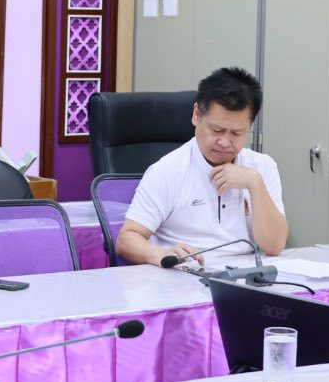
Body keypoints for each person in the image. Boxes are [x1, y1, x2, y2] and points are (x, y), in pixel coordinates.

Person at [115, 67, 289, 267]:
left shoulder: (262, 166)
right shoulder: (168, 170)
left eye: (237, 133)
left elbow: (274, 246)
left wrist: (255, 183)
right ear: (196, 115)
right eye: (217, 130)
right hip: (185, 273)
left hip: (245, 275)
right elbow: (126, 239)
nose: (225, 142)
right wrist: (161, 254)